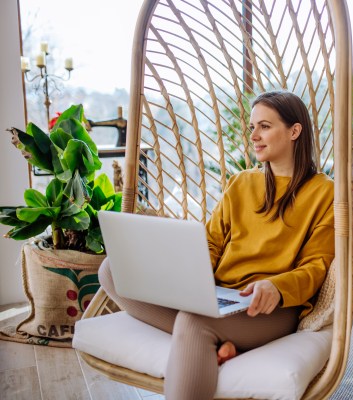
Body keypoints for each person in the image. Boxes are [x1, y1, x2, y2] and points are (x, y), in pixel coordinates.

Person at [98, 90, 335, 399]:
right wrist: (186, 276)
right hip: (218, 293)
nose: (254, 135)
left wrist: (276, 287)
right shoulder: (241, 183)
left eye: (264, 126)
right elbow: (210, 243)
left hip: (270, 306)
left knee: (193, 321)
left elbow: (317, 266)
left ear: (294, 131)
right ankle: (215, 342)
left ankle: (205, 337)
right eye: (252, 127)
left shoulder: (324, 192)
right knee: (112, 269)